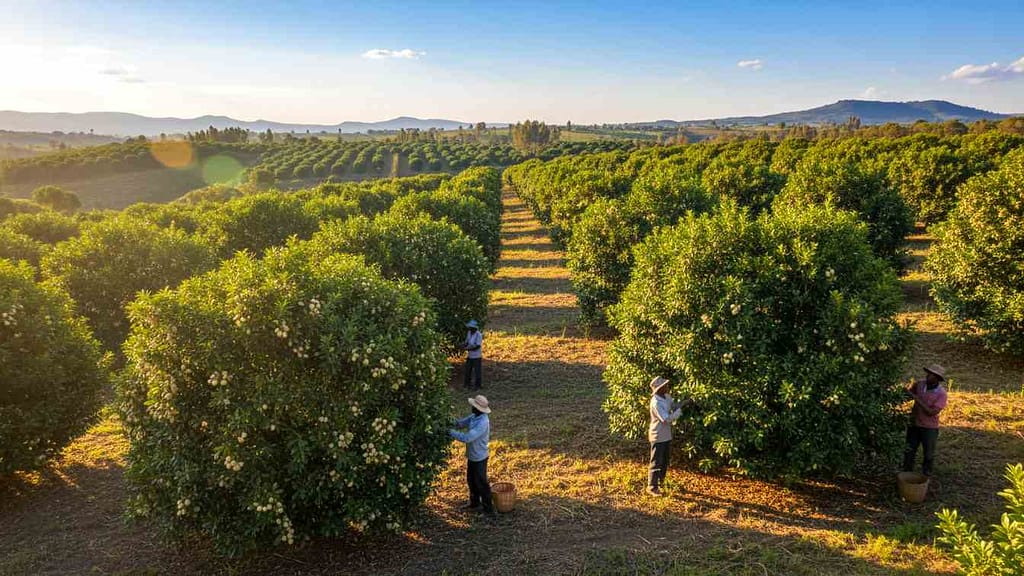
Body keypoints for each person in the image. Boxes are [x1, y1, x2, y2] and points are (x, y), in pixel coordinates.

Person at [449, 395, 495, 515]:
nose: (472, 408)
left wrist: (449, 432)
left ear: (479, 409)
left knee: (482, 483)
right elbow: (460, 423)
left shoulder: (483, 422)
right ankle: (474, 503)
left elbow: (468, 437)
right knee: (471, 480)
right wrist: (448, 422)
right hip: (472, 455)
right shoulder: (474, 416)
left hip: (480, 457)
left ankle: (489, 510)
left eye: (474, 407)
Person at [902, 364, 949, 476]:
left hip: (929, 428)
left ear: (937, 378)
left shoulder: (941, 394)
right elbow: (908, 395)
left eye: (931, 375)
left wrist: (916, 398)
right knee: (909, 451)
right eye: (928, 373)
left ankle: (926, 474)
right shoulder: (919, 384)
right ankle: (906, 473)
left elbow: (932, 412)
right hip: (914, 424)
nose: (928, 376)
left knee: (928, 454)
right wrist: (905, 392)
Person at [648, 376, 686, 496]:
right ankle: (652, 487)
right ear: (659, 388)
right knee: (656, 461)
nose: (667, 387)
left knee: (664, 460)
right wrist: (679, 412)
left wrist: (684, 403)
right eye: (665, 386)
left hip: (666, 435)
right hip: (658, 435)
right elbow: (666, 419)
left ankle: (661, 481)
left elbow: (673, 406)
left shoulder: (666, 397)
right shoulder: (656, 403)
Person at [463, 319, 483, 390]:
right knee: (468, 370)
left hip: (477, 356)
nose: (470, 329)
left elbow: (477, 346)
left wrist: (468, 349)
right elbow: (467, 342)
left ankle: (478, 386)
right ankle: (467, 384)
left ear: (474, 328)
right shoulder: (469, 333)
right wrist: (463, 345)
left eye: (471, 328)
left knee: (477, 372)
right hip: (470, 356)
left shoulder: (479, 335)